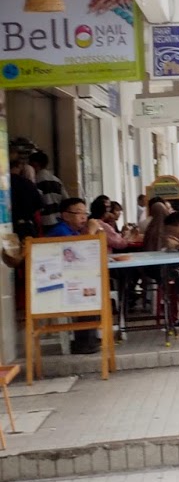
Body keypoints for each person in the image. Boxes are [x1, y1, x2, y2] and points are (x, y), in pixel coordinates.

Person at [49, 198, 100, 354]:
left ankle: (90, 339)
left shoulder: (73, 231)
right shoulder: (61, 231)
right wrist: (91, 232)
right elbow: (81, 254)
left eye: (85, 213)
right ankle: (84, 343)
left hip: (69, 279)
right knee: (88, 292)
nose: (84, 217)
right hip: (55, 283)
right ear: (66, 215)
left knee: (93, 287)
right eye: (79, 213)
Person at [30, 150, 64, 232]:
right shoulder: (57, 180)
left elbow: (35, 202)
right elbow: (66, 200)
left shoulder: (36, 180)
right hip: (58, 219)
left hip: (43, 221)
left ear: (35, 164)